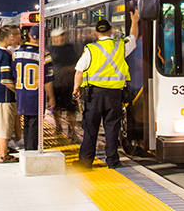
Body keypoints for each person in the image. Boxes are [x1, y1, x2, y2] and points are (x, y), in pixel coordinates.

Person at [73, 10, 140, 169]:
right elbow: (133, 37)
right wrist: (135, 21)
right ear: (111, 31)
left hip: (94, 96)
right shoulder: (120, 46)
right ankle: (112, 161)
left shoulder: (90, 49)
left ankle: (86, 161)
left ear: (96, 33)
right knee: (112, 128)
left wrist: (76, 89)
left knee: (90, 128)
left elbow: (79, 71)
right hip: (115, 95)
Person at [13, 25, 55, 151]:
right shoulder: (44, 54)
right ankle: (31, 151)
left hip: (21, 94)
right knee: (34, 125)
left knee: (26, 122)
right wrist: (51, 98)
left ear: (29, 35)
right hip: (36, 95)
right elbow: (47, 80)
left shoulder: (17, 52)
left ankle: (27, 149)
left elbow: (14, 74)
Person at [0, 26, 18, 163]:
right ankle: (4, 155)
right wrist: (17, 91)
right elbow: (6, 79)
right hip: (5, 94)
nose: (13, 38)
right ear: (5, 38)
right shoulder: (5, 54)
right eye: (11, 36)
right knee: (5, 125)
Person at [47, 27, 80, 140]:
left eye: (63, 35)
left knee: (71, 109)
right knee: (55, 108)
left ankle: (72, 130)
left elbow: (77, 64)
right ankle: (58, 126)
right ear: (53, 38)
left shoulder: (71, 48)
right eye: (59, 36)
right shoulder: (49, 50)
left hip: (69, 84)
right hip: (55, 84)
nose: (61, 38)